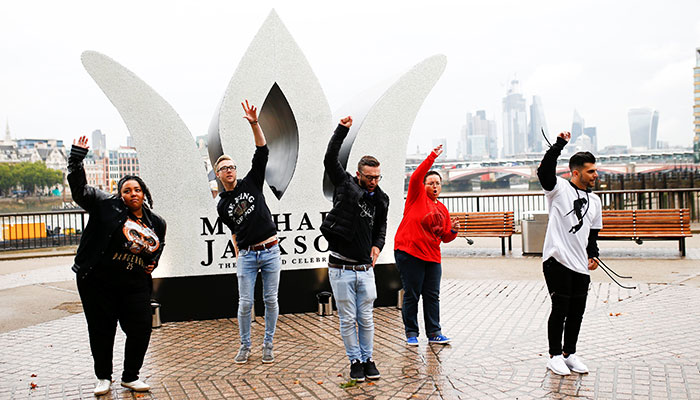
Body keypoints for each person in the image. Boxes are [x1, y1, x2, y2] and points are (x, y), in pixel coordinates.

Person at [68, 136, 166, 396]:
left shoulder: (156, 221)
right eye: (127, 191)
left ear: (144, 193)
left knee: (141, 327)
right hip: (98, 282)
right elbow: (81, 191)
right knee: (102, 330)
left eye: (137, 190)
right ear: (120, 194)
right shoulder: (105, 206)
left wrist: (153, 263)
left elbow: (158, 247)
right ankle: (103, 377)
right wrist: (76, 159)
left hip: (133, 284)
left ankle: (130, 376)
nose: (132, 194)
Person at [321, 116, 389, 382]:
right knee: (348, 319)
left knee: (367, 318)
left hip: (365, 268)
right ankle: (355, 361)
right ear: (359, 174)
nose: (373, 181)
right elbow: (329, 159)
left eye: (377, 177)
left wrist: (378, 245)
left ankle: (369, 358)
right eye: (369, 177)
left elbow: (381, 228)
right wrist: (342, 130)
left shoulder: (382, 199)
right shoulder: (345, 184)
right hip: (340, 268)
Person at [216, 100, 281, 364]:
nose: (229, 170)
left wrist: (255, 124)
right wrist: (239, 251)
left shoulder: (251, 182)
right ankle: (245, 346)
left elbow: (262, 150)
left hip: (270, 250)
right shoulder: (222, 204)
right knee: (245, 303)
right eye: (224, 169)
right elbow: (233, 230)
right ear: (218, 174)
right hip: (247, 256)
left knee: (271, 300)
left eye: (232, 166)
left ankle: (268, 343)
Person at [536, 131, 602, 376]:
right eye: (591, 171)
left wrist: (592, 254)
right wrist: (559, 145)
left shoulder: (595, 201)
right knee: (560, 308)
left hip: (580, 264)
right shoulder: (559, 189)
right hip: (557, 260)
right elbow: (544, 172)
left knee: (577, 312)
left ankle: (569, 353)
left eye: (595, 170)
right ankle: (554, 356)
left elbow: (593, 232)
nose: (596, 175)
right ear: (576, 172)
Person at [394, 144, 459, 346]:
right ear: (423, 186)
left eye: (437, 183)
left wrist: (454, 230)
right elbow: (415, 176)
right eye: (430, 182)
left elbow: (445, 237)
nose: (434, 186)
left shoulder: (442, 209)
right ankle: (411, 332)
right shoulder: (416, 197)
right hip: (410, 252)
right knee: (412, 294)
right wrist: (432, 156)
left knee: (432, 295)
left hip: (432, 256)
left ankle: (434, 332)